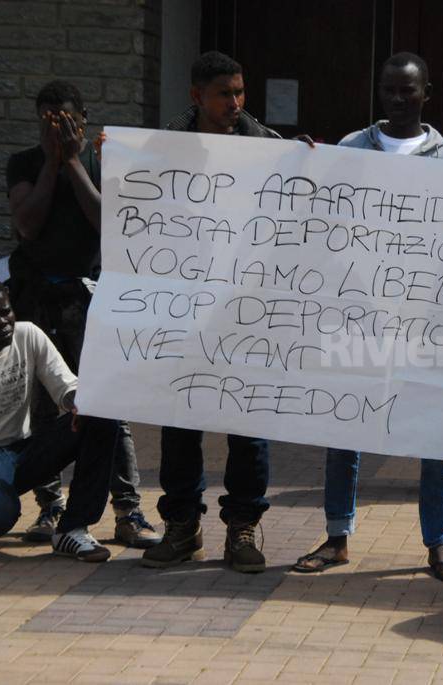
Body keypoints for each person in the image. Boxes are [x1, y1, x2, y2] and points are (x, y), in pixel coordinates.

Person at [292, 52, 443, 581]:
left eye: (407, 91)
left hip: (426, 319)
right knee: (344, 424)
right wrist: (303, 165)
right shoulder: (349, 149)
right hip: (357, 316)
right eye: (389, 89)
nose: (397, 99)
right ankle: (337, 536)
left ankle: (437, 544)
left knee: (435, 433)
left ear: (426, 94)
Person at [142, 51, 281, 573]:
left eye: (240, 92)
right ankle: (183, 527)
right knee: (180, 422)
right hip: (183, 311)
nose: (236, 103)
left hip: (247, 313)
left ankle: (242, 528)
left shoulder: (268, 148)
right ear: (197, 96)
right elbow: (134, 211)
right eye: (225, 93)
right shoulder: (161, 148)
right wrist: (119, 162)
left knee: (248, 426)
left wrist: (314, 165)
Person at [5, 80, 158, 549]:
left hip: (92, 296)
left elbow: (108, 222)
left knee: (108, 405)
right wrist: (52, 161)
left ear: (83, 118)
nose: (55, 127)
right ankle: (49, 508)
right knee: (42, 404)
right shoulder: (25, 163)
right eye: (46, 119)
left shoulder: (103, 162)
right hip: (36, 298)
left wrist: (72, 160)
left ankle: (127, 509)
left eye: (64, 119)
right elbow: (27, 225)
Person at [0, 275, 117, 561]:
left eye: (6, 311)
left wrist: (78, 404)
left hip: (21, 451)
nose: (3, 322)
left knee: (100, 417)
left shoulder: (28, 336)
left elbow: (65, 384)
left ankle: (72, 530)